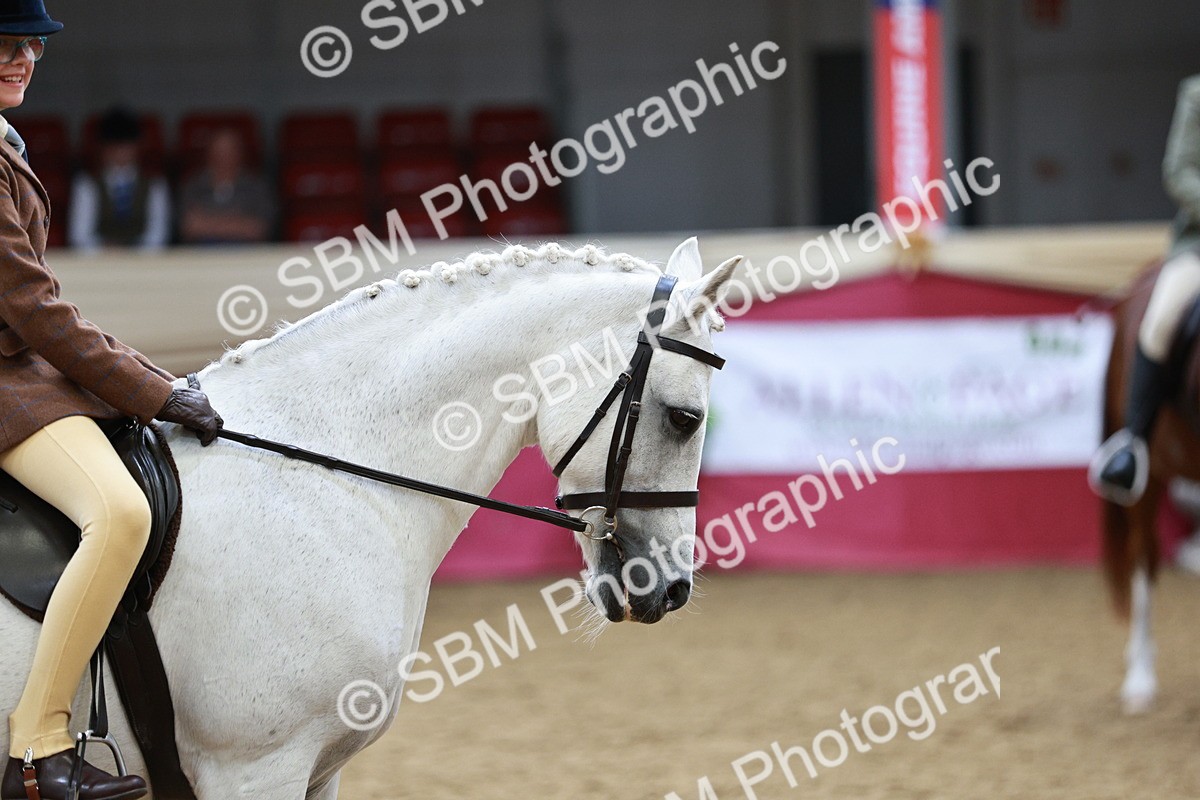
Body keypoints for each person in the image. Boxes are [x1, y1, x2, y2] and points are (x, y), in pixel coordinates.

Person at [0, 3, 222, 799]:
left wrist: (152, 381)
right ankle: (38, 748)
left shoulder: (7, 143)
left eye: (32, 44)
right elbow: (34, 312)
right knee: (121, 513)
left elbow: (43, 310)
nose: (24, 57)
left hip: (20, 369)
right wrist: (155, 391)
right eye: (6, 43)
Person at [1091, 74, 1200, 505]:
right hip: (1198, 245)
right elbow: (1180, 170)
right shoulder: (1196, 94)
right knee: (1160, 322)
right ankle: (1132, 444)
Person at [67, 107, 171, 251]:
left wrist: (132, 253)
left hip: (144, 261)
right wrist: (106, 250)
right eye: (114, 147)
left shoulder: (155, 185)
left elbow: (158, 235)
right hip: (98, 261)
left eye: (125, 147)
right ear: (103, 149)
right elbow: (80, 237)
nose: (120, 153)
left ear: (137, 147)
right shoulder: (86, 185)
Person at [179, 128, 274, 244]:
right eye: (219, 150)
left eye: (229, 150)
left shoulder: (257, 187)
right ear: (208, 153)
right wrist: (238, 222)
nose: (224, 156)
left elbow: (259, 229)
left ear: (240, 153)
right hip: (202, 253)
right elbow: (189, 227)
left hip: (246, 253)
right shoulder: (193, 186)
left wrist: (207, 222)